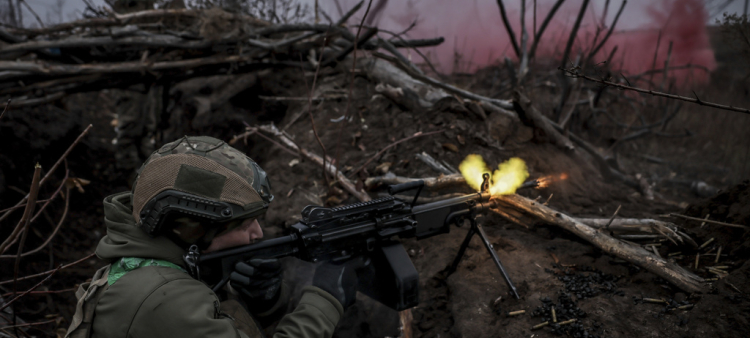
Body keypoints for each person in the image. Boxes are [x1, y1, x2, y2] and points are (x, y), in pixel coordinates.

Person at [65, 136, 360, 338]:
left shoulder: (155, 268)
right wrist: (324, 301)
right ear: (192, 227)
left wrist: (264, 300)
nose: (257, 233)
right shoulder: (163, 298)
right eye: (243, 225)